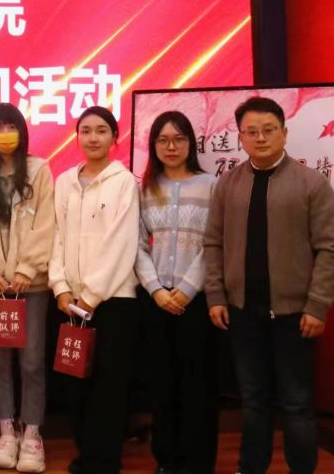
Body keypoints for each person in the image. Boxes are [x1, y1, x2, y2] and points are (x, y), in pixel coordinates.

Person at [203, 95, 334, 474]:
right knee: (253, 400)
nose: (260, 138)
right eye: (251, 132)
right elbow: (213, 243)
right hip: (243, 312)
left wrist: (317, 305)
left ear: (284, 133)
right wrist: (216, 295)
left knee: (296, 402)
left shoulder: (311, 183)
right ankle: (251, 467)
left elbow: (328, 248)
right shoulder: (228, 184)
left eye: (268, 130)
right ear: (240, 137)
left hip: (296, 315)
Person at [0, 104, 55, 474]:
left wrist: (27, 268)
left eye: (10, 126)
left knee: (31, 361)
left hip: (30, 286)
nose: (4, 134)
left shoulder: (39, 170)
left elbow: (47, 223)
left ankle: (32, 433)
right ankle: (6, 431)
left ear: (22, 130)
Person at [51, 106, 140, 474]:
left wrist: (91, 295)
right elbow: (57, 236)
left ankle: (103, 460)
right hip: (71, 302)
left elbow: (122, 242)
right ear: (77, 137)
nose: (93, 138)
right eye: (85, 130)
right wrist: (60, 286)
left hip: (113, 300)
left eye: (101, 130)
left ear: (114, 137)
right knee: (75, 380)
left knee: (109, 384)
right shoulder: (64, 182)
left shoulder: (125, 182)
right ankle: (85, 452)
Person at [138, 111, 216, 474]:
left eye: (179, 139)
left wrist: (186, 288)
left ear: (190, 143)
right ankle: (167, 461)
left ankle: (197, 463)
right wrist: (155, 289)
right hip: (156, 300)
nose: (171, 146)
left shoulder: (211, 185)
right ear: (154, 145)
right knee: (162, 384)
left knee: (197, 383)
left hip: (196, 302)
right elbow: (137, 245)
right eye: (163, 140)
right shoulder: (145, 188)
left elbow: (215, 243)